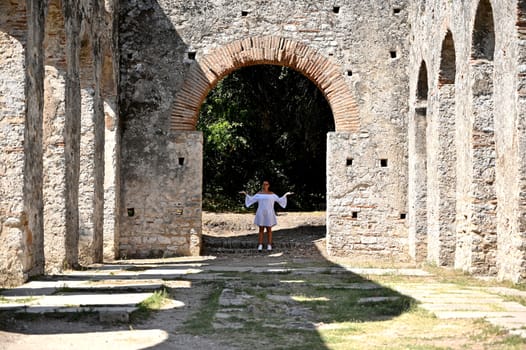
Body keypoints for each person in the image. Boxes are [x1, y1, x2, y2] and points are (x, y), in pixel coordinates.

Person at [239, 180, 293, 252]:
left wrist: (286, 194)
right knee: (261, 229)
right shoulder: (259, 194)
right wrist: (245, 194)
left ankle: (269, 245)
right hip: (261, 212)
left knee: (269, 229)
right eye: (264, 184)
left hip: (269, 213)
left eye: (266, 184)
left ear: (269, 185)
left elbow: (280, 200)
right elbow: (251, 199)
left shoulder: (272, 194)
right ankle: (260, 245)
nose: (265, 186)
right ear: (262, 185)